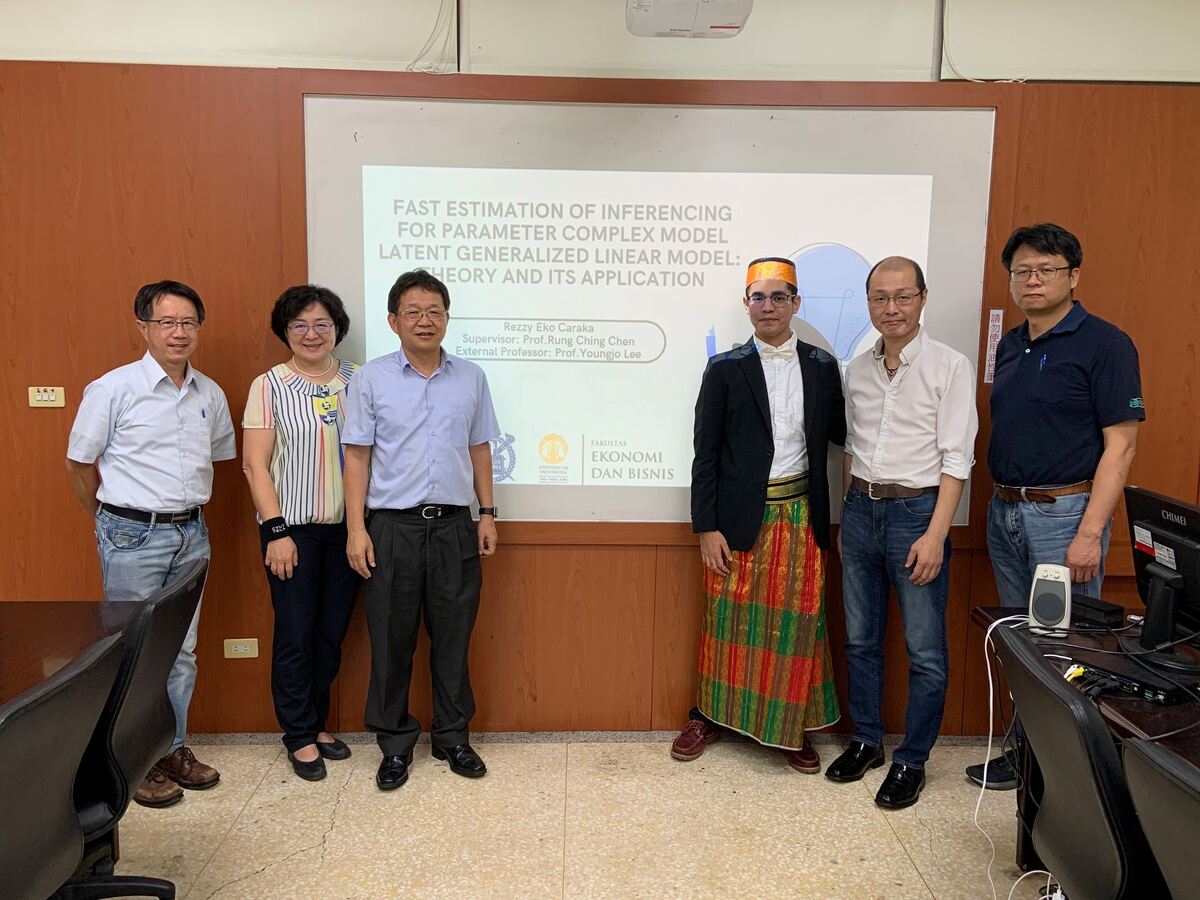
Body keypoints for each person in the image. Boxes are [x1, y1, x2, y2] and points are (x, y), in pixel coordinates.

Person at [968, 223, 1144, 790]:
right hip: (1006, 512)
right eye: (1022, 271)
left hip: (1065, 517)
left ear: (1074, 276)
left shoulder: (1106, 344)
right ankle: (1027, 757)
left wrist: (1091, 533)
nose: (1033, 279)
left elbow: (1121, 444)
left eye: (1046, 269)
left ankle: (1070, 779)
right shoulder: (1011, 343)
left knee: (1069, 649)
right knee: (1023, 643)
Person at [671, 256, 847, 773]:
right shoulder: (724, 368)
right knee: (727, 623)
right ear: (746, 305)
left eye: (778, 296)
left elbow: (841, 434)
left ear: (796, 303)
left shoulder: (821, 365)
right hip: (737, 520)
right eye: (758, 297)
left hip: (801, 514)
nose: (767, 306)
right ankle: (709, 715)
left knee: (797, 627)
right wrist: (705, 526)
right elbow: (705, 453)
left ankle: (792, 728)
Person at [66, 280, 235, 808]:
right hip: (131, 532)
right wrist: (108, 520)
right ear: (143, 327)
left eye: (188, 323)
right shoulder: (113, 388)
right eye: (166, 322)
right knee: (132, 653)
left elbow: (219, 459)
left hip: (192, 533)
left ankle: (173, 749)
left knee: (181, 651)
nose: (178, 333)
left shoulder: (210, 393)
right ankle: (128, 762)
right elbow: (78, 465)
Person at [826, 257, 978, 809]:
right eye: (879, 298)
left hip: (918, 517)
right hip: (862, 514)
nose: (890, 309)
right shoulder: (857, 370)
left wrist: (937, 535)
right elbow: (851, 450)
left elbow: (956, 461)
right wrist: (846, 519)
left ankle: (912, 758)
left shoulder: (950, 366)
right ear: (868, 304)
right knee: (861, 641)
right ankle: (866, 739)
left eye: (902, 297)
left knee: (925, 652)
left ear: (922, 298)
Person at [341, 269, 500, 791]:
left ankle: (453, 737)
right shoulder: (370, 380)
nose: (425, 320)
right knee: (391, 641)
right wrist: (356, 529)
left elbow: (479, 449)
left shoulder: (471, 377)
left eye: (435, 311)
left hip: (456, 528)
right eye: (413, 312)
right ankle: (394, 744)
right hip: (391, 529)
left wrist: (488, 512)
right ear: (393, 321)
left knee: (454, 638)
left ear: (447, 318)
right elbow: (358, 458)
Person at [242, 285, 361, 782]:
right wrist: (275, 531)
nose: (312, 334)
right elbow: (254, 465)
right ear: (285, 332)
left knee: (330, 634)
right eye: (300, 325)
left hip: (349, 531)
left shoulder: (359, 380)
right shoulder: (269, 385)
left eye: (321, 324)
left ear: (337, 329)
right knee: (295, 635)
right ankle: (297, 735)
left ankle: (315, 723)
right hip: (292, 533)